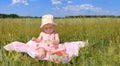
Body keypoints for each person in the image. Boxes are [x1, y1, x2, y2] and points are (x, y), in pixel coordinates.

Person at [3, 14, 88, 63]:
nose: (48, 30)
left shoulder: (55, 33)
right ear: (43, 28)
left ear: (53, 27)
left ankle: (64, 57)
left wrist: (55, 41)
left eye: (50, 28)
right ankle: (41, 55)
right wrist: (35, 39)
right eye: (46, 28)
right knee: (40, 49)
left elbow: (58, 41)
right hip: (43, 45)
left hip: (53, 46)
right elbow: (39, 40)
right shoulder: (42, 33)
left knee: (62, 49)